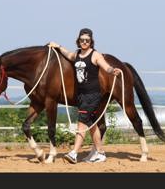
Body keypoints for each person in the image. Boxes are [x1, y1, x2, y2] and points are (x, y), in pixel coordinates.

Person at [49, 28, 120, 164]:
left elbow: (106, 67)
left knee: (81, 124)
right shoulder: (76, 54)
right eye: (82, 40)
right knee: (92, 124)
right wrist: (57, 46)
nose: (84, 42)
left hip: (92, 95)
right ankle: (100, 153)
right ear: (78, 41)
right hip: (81, 95)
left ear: (91, 41)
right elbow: (67, 54)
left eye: (87, 40)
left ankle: (74, 153)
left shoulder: (95, 55)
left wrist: (112, 70)